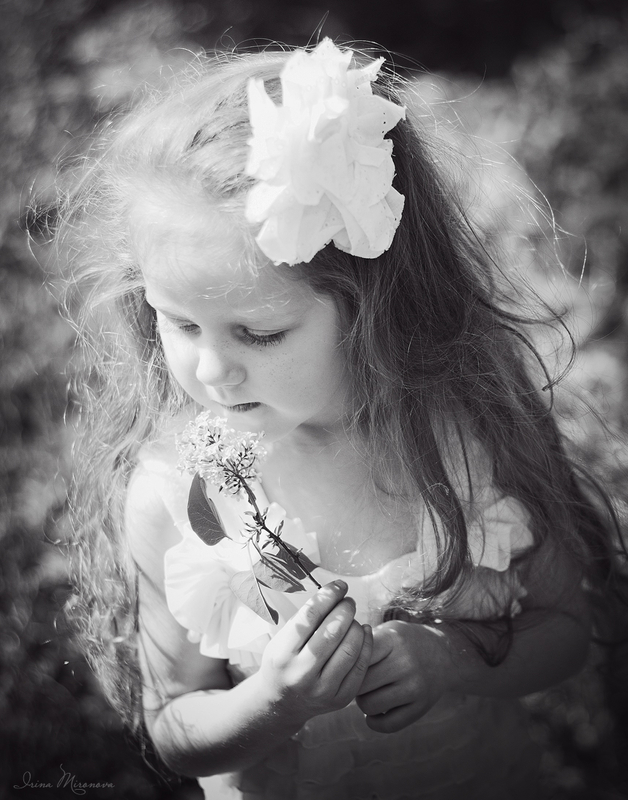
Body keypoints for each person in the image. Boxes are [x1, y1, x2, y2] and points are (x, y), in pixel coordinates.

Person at [53, 38, 624, 799]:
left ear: (372, 307)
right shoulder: (177, 494)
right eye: (180, 323)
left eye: (259, 333)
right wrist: (273, 702)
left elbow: (565, 632)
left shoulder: (468, 441)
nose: (211, 370)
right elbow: (175, 728)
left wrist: (454, 658)